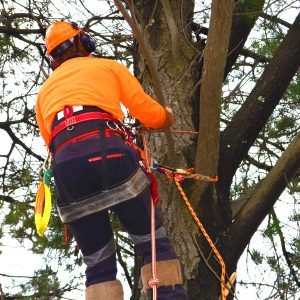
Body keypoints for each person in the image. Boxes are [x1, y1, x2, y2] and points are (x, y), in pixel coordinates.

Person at [35, 21, 188, 300]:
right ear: (85, 43)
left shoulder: (44, 92)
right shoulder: (107, 67)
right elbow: (149, 114)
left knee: (98, 264)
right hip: (110, 154)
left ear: (53, 58)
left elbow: (51, 141)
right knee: (153, 246)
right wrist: (166, 117)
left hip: (67, 170)